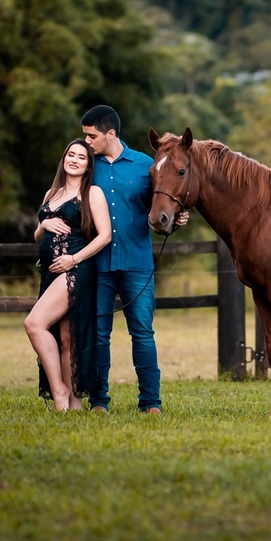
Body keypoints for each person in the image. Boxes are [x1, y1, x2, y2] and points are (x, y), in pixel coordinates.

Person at [81, 105, 187, 413]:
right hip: (97, 265)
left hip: (137, 264)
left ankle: (150, 402)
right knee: (98, 336)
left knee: (142, 334)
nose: (86, 142)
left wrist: (176, 222)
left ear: (110, 133)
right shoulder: (87, 166)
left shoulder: (145, 166)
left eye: (91, 136)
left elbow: (163, 207)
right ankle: (98, 401)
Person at [24, 139, 111, 412]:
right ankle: (73, 405)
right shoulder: (52, 193)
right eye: (71, 155)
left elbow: (105, 236)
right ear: (64, 159)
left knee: (34, 324)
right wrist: (44, 224)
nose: (74, 160)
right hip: (50, 271)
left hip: (75, 268)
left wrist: (73, 259)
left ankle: (59, 391)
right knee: (65, 337)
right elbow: (38, 236)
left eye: (81, 157)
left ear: (88, 165)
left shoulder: (92, 193)